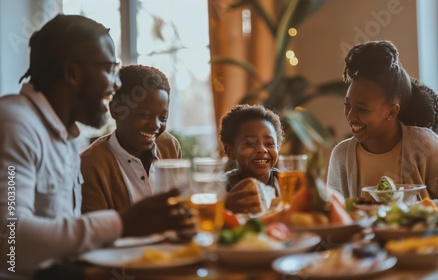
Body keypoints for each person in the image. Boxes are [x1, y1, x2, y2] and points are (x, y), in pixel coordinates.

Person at [0, 14, 192, 279]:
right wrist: (123, 223)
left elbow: (65, 243)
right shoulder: (14, 123)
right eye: (109, 69)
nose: (117, 84)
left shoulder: (63, 137)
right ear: (72, 72)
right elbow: (10, 243)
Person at [326, 40, 438, 199]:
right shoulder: (341, 155)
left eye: (362, 109)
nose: (351, 116)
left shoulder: (423, 144)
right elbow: (333, 209)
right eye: (347, 105)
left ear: (391, 111)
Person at [80, 64, 182, 213]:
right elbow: (96, 232)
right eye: (144, 115)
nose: (155, 125)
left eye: (163, 118)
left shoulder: (170, 146)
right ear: (115, 109)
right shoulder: (89, 166)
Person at [219, 104, 284, 213]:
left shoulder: (286, 184)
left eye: (269, 143)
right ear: (230, 151)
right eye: (250, 143)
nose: (262, 150)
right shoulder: (222, 187)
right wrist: (224, 207)